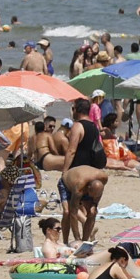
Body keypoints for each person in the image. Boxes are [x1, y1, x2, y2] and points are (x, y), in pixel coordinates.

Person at [61, 99, 108, 244]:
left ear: (77, 109)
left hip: (76, 172)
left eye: (73, 109)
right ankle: (84, 241)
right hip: (91, 171)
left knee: (69, 211)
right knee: (90, 210)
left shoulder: (77, 126)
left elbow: (71, 150)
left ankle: (71, 241)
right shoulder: (94, 126)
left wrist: (64, 171)